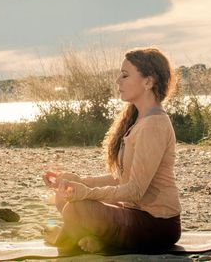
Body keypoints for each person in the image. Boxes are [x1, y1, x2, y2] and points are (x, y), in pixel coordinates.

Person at [42, 47, 181, 254]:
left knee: (77, 208)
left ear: (148, 82)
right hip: (134, 213)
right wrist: (77, 181)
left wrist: (87, 193)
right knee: (66, 197)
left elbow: (135, 190)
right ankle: (97, 240)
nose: (118, 81)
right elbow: (122, 179)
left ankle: (83, 238)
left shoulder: (154, 125)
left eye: (125, 75)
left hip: (158, 225)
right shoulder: (141, 121)